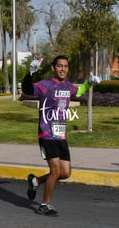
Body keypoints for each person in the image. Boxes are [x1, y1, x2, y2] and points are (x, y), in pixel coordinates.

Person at [22, 55, 100, 217]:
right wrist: (30, 73)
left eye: (65, 66)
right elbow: (27, 90)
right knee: (55, 171)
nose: (63, 69)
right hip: (46, 134)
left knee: (65, 173)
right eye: (60, 66)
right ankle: (44, 205)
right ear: (53, 68)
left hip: (61, 135)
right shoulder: (45, 85)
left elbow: (78, 91)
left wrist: (89, 83)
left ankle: (35, 181)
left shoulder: (68, 86)